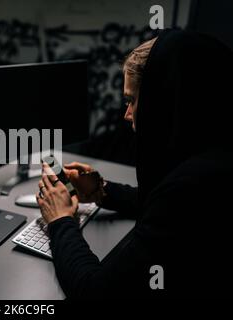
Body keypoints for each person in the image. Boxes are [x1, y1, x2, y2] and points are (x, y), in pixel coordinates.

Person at [36, 29, 233, 299]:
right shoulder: (214, 157)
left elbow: (94, 292)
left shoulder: (193, 185)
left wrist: (60, 220)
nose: (127, 114)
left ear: (166, 100)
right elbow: (162, 204)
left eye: (132, 100)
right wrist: (102, 190)